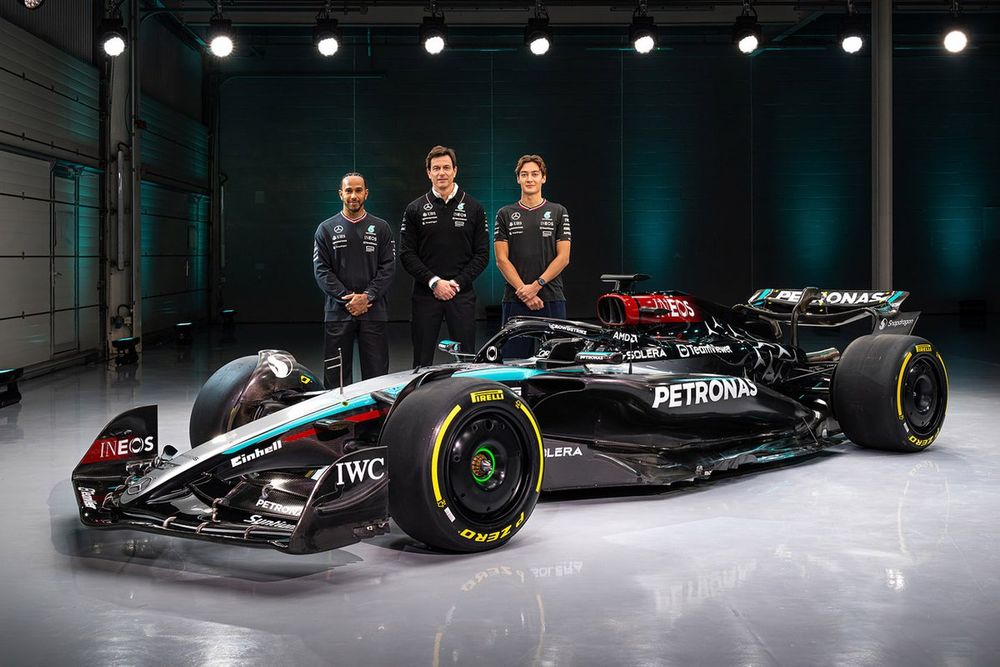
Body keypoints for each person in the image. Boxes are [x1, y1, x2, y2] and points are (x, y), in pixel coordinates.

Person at [400, 146, 489, 367]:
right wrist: (434, 282)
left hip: (462, 294)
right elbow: (406, 254)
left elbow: (482, 254)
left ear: (455, 171)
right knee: (421, 361)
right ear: (428, 173)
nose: (442, 173)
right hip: (425, 294)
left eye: (446, 168)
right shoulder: (415, 209)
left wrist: (456, 283)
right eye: (436, 168)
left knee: (466, 361)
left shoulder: (474, 207)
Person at [313, 172, 395, 388]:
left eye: (358, 190)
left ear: (366, 193)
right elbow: (321, 270)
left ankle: (376, 420)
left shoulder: (381, 228)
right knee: (336, 379)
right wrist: (347, 298)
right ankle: (337, 421)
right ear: (341, 194)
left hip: (374, 311)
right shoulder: (326, 229)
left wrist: (367, 297)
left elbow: (388, 268)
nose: (353, 195)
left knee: (377, 377)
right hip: (337, 313)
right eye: (348, 190)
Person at [494, 154, 572, 358]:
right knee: (513, 363)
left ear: (543, 178)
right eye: (524, 174)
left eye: (535, 174)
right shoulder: (505, 213)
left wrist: (535, 286)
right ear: (518, 179)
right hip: (515, 300)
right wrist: (523, 291)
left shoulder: (558, 211)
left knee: (558, 363)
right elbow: (501, 259)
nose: (530, 179)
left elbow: (563, 257)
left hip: (552, 298)